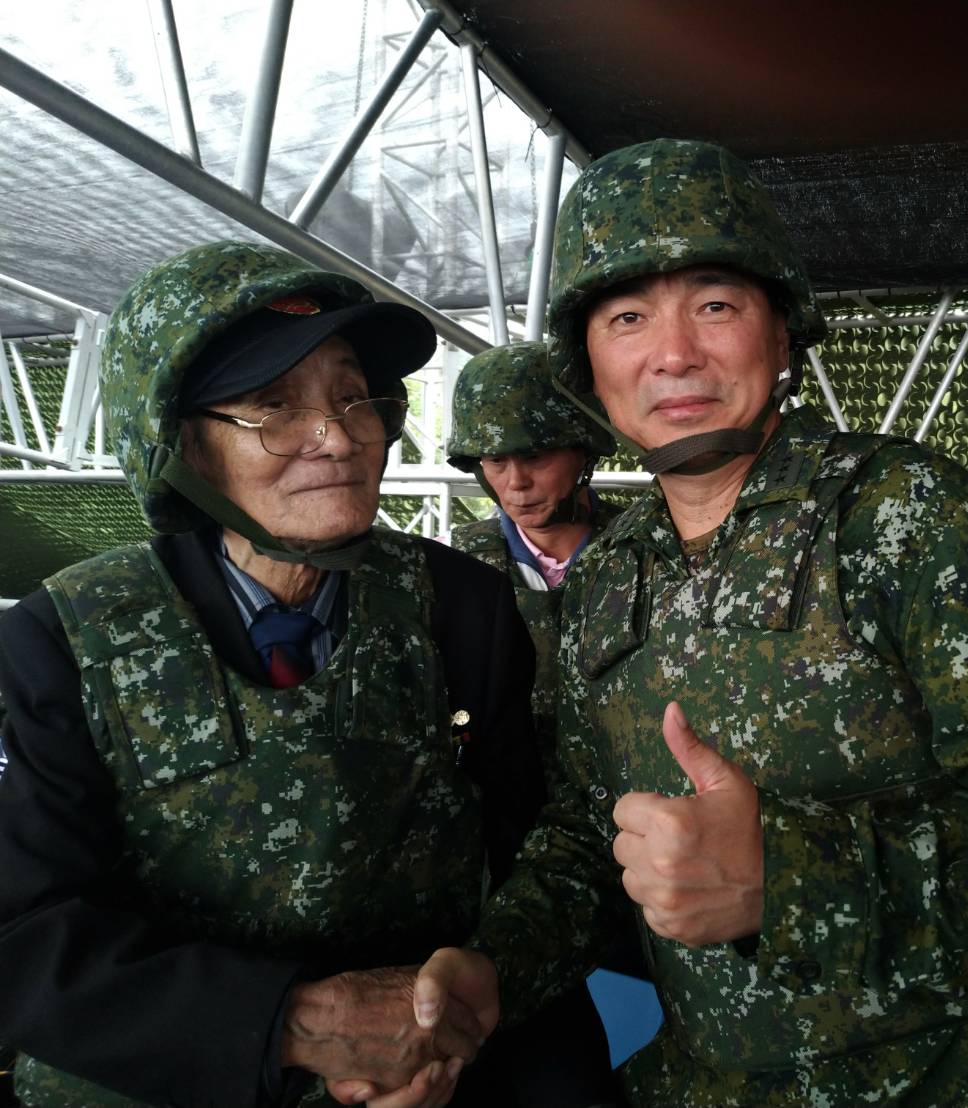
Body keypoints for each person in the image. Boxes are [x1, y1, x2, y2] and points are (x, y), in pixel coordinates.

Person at [397, 138, 968, 1106]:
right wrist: (497, 967)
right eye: (627, 317)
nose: (673, 354)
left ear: (782, 333)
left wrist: (786, 878)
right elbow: (590, 833)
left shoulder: (909, 517)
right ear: (589, 364)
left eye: (715, 304)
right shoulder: (612, 572)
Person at [0, 241, 615, 1108]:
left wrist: (475, 997)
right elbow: (27, 934)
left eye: (355, 397)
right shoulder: (67, 636)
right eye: (272, 407)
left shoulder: (459, 605)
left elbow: (535, 844)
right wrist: (291, 1023)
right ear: (181, 444)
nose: (337, 437)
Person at [446, 340, 619, 771]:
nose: (516, 482)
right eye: (495, 460)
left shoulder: (642, 548)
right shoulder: (459, 566)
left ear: (584, 451)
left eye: (535, 456)